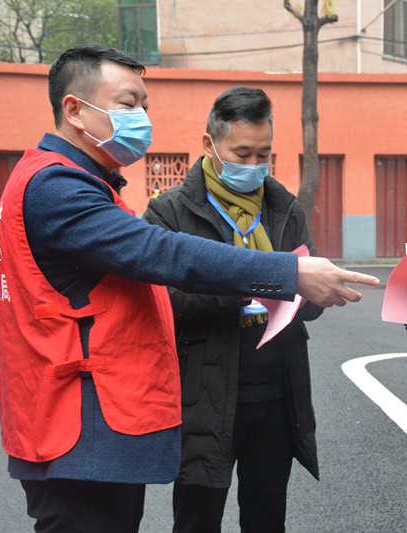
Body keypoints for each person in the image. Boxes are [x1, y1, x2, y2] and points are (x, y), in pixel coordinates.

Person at [0, 45, 378, 533]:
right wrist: (288, 273)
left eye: (144, 105)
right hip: (80, 429)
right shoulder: (58, 188)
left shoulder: (78, 182)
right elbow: (164, 254)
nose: (143, 118)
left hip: (94, 426)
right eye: (128, 104)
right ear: (74, 109)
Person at [143, 86, 320, 533]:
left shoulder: (284, 208)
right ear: (209, 144)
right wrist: (242, 284)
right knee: (197, 520)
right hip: (204, 398)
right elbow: (161, 302)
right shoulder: (169, 214)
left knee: (266, 519)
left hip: (276, 396)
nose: (254, 166)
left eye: (264, 154)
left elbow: (309, 292)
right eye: (241, 154)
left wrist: (316, 295)